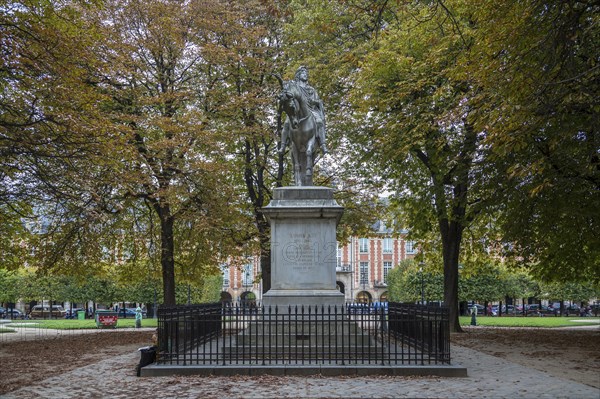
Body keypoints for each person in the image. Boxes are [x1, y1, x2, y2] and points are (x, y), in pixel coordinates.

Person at [279, 66, 328, 155]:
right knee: (286, 124)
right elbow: (288, 95)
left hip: (310, 110)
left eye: (306, 74)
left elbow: (318, 101)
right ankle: (283, 145)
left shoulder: (311, 89)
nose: (306, 75)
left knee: (320, 122)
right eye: (303, 73)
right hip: (296, 111)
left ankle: (323, 144)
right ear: (298, 75)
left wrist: (314, 101)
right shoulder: (294, 87)